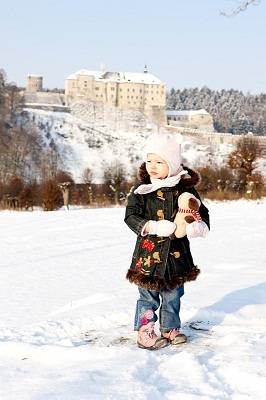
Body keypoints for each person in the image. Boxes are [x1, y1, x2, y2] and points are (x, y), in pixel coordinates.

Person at [124, 133, 210, 350]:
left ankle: (169, 328)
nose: (152, 166)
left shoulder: (185, 190)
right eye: (149, 160)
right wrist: (151, 226)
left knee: (173, 294)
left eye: (159, 162)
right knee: (148, 296)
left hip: (176, 255)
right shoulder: (142, 190)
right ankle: (145, 330)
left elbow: (200, 211)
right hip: (148, 255)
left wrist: (197, 225)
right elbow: (130, 215)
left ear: (172, 164)